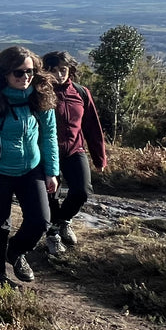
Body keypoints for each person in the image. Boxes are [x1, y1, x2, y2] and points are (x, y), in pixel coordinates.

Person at [0, 46, 60, 285]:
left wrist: (51, 171)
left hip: (31, 168)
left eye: (29, 72)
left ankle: (16, 252)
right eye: (18, 73)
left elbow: (49, 135)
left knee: (41, 220)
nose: (25, 77)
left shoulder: (40, 95)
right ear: (5, 74)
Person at [41, 51, 108, 255]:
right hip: (46, 152)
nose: (59, 74)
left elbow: (92, 127)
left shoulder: (81, 92)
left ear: (70, 70)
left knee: (82, 191)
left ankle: (63, 222)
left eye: (63, 70)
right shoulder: (40, 92)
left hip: (74, 150)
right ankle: (52, 235)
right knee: (51, 194)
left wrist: (99, 157)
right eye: (53, 70)